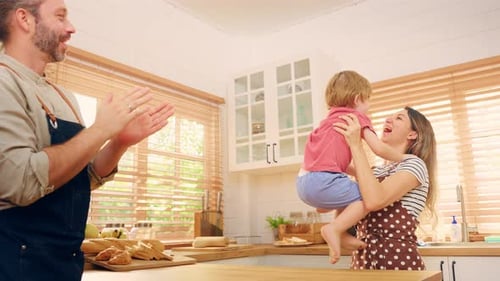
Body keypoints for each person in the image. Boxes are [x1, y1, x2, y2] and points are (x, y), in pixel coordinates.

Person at [0, 0, 175, 280]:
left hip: (65, 264)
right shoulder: (4, 82)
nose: (71, 28)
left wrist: (119, 141)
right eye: (60, 17)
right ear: (24, 19)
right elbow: (19, 182)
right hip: (17, 264)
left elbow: (80, 179)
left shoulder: (64, 98)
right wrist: (100, 130)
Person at [296, 70, 407, 264]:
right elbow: (379, 148)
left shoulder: (326, 122)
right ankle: (335, 228)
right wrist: (403, 157)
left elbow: (341, 164)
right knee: (367, 194)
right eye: (368, 100)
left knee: (350, 191)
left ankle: (340, 231)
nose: (368, 106)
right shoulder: (356, 118)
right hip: (324, 181)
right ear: (358, 99)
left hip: (303, 183)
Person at [333, 107, 437, 270]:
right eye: (391, 116)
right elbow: (345, 210)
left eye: (399, 118)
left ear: (412, 134)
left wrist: (356, 145)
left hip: (398, 264)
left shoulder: (415, 164)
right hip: (363, 264)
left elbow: (375, 200)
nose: (388, 119)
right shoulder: (375, 171)